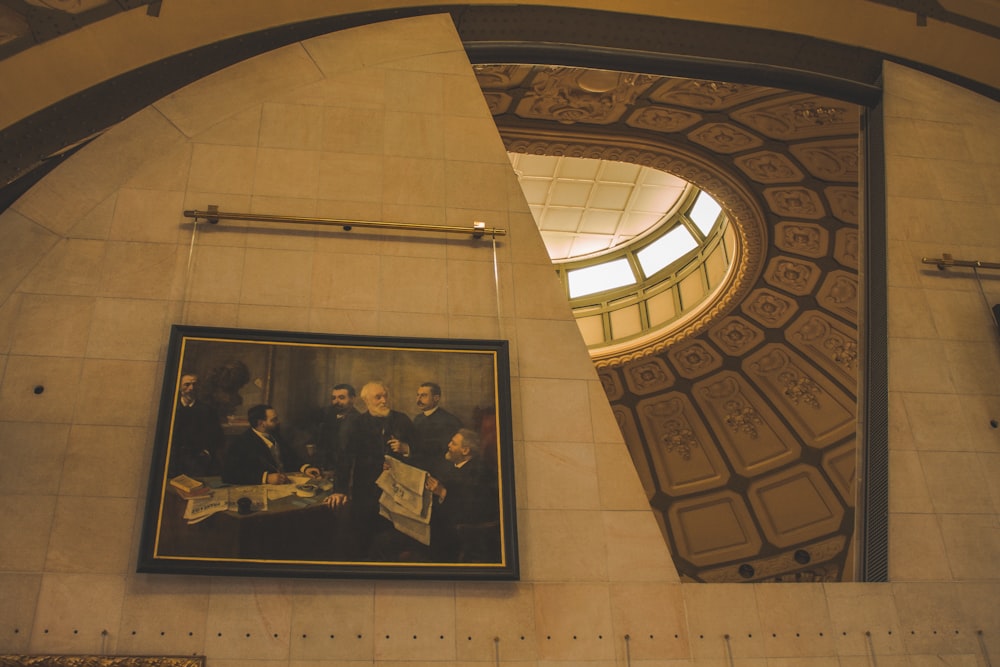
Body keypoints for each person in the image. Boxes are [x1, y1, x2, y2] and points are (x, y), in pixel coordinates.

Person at [325, 381, 416, 556]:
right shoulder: (356, 423)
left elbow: (421, 449)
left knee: (394, 540)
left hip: (398, 492)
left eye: (385, 396)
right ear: (366, 400)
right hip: (366, 491)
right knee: (363, 538)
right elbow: (344, 458)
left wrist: (407, 449)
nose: (384, 401)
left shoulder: (401, 419)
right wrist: (340, 490)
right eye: (378, 397)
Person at [424, 428, 501, 562]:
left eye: (453, 443)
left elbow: (471, 512)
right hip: (442, 523)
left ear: (465, 451)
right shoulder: (453, 464)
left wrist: (442, 492)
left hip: (462, 534)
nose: (448, 445)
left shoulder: (480, 473)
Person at [222, 404, 320, 485]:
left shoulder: (274, 435)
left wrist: (305, 468)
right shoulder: (242, 442)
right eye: (274, 420)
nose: (278, 422)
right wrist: (266, 478)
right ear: (261, 423)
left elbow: (290, 456)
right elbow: (229, 474)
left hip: (286, 484)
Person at [168, 372, 224, 477]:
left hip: (199, 460)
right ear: (179, 387)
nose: (191, 388)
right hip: (173, 459)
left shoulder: (207, 410)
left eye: (195, 384)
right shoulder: (171, 409)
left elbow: (217, 437)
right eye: (187, 384)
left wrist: (207, 452)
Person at [306, 383, 358, 470]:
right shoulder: (326, 415)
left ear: (352, 399)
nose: (336, 402)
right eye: (334, 398)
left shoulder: (359, 420)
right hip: (321, 468)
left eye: (341, 398)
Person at [411, 382, 463, 465]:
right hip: (419, 463)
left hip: (439, 467)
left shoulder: (449, 421)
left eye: (423, 395)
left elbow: (443, 451)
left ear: (436, 398)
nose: (418, 399)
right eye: (418, 395)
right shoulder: (418, 419)